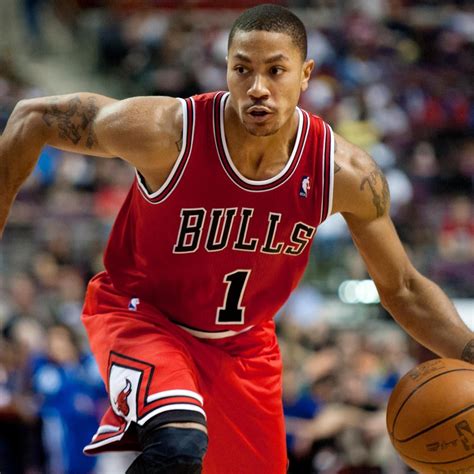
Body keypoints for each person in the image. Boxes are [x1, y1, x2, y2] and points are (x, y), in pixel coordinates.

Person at [0, 4, 472, 473]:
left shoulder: (343, 172)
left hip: (243, 347)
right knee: (178, 444)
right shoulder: (168, 133)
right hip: (144, 317)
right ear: (225, 69)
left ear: (306, 74)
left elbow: (403, 288)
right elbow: (31, 118)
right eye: (242, 69)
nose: (258, 87)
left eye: (276, 70)